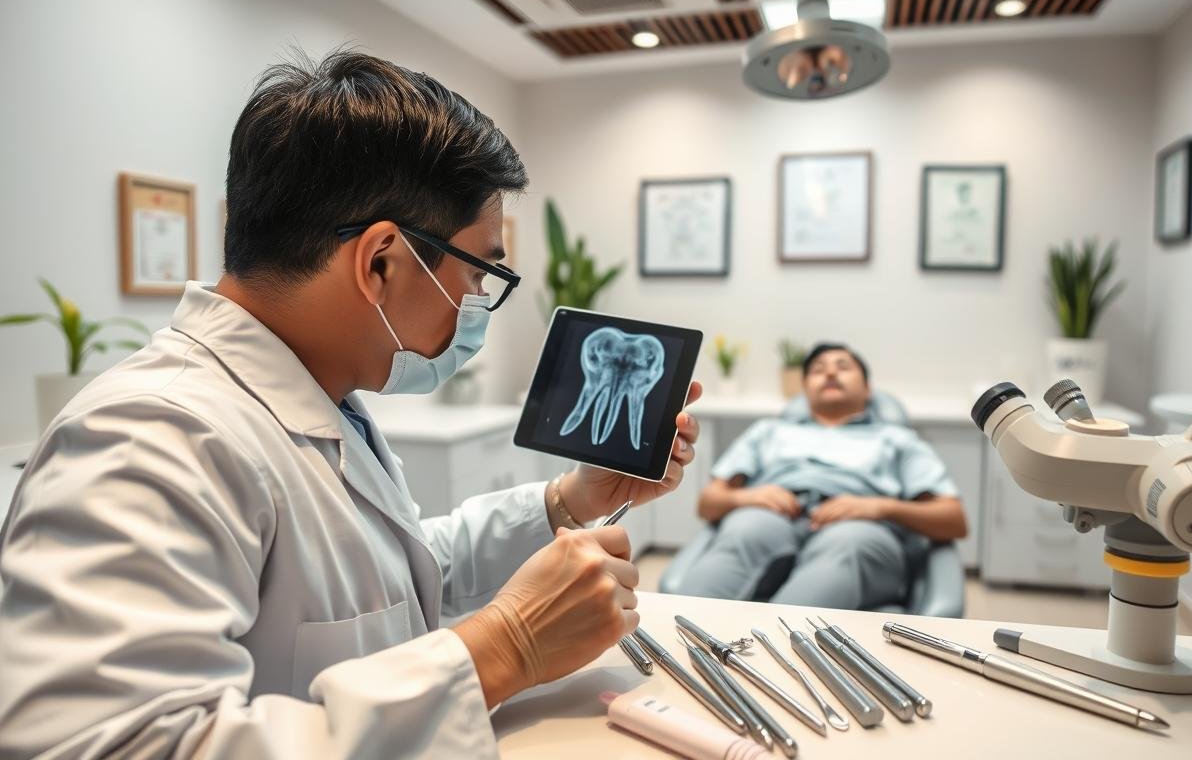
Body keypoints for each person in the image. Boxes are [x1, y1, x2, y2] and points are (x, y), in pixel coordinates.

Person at [0, 50, 702, 759]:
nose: (476, 305)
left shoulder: (317, 402)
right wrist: (499, 651)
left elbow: (394, 585)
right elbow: (109, 746)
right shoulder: (149, 438)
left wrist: (570, 500)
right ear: (381, 263)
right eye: (480, 272)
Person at [675, 343, 965, 610]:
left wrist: (879, 507)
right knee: (744, 531)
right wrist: (745, 497)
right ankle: (674, 639)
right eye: (817, 369)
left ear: (867, 390)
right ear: (804, 391)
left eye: (843, 367)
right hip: (770, 517)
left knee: (849, 546)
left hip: (860, 527)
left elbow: (954, 519)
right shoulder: (769, 431)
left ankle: (774, 652)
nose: (829, 372)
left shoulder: (897, 439)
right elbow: (708, 503)